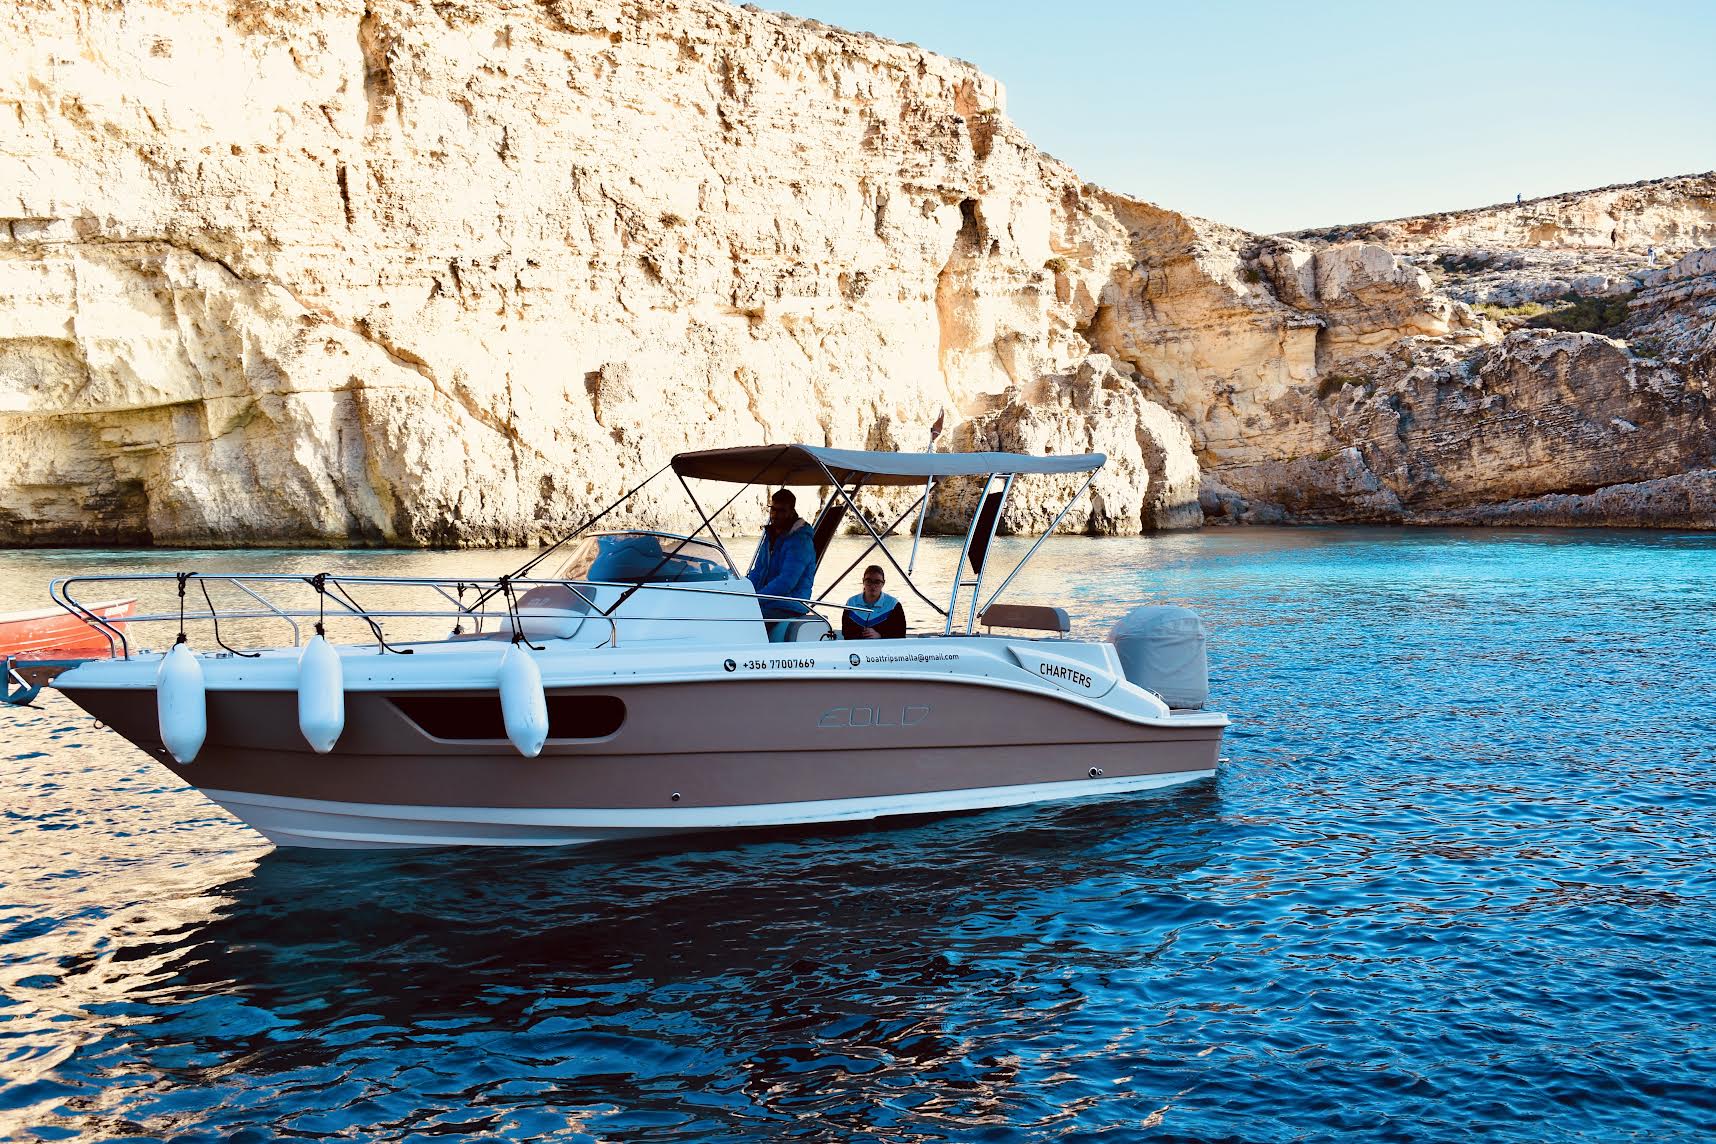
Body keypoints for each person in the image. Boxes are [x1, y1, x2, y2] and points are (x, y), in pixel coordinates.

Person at [748, 489, 817, 640]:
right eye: (773, 509)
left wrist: (756, 599)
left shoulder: (800, 541)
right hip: (768, 602)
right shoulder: (771, 536)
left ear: (791, 511)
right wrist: (742, 589)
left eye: (781, 510)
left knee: (745, 622)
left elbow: (786, 583)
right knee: (732, 611)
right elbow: (758, 571)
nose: (775, 514)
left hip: (789, 605)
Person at [842, 564, 906, 640]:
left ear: (883, 583)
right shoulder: (851, 603)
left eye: (877, 582)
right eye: (869, 581)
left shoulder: (893, 605)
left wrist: (880, 635)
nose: (872, 585)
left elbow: (900, 634)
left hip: (884, 648)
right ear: (863, 581)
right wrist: (861, 635)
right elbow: (846, 632)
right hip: (857, 647)